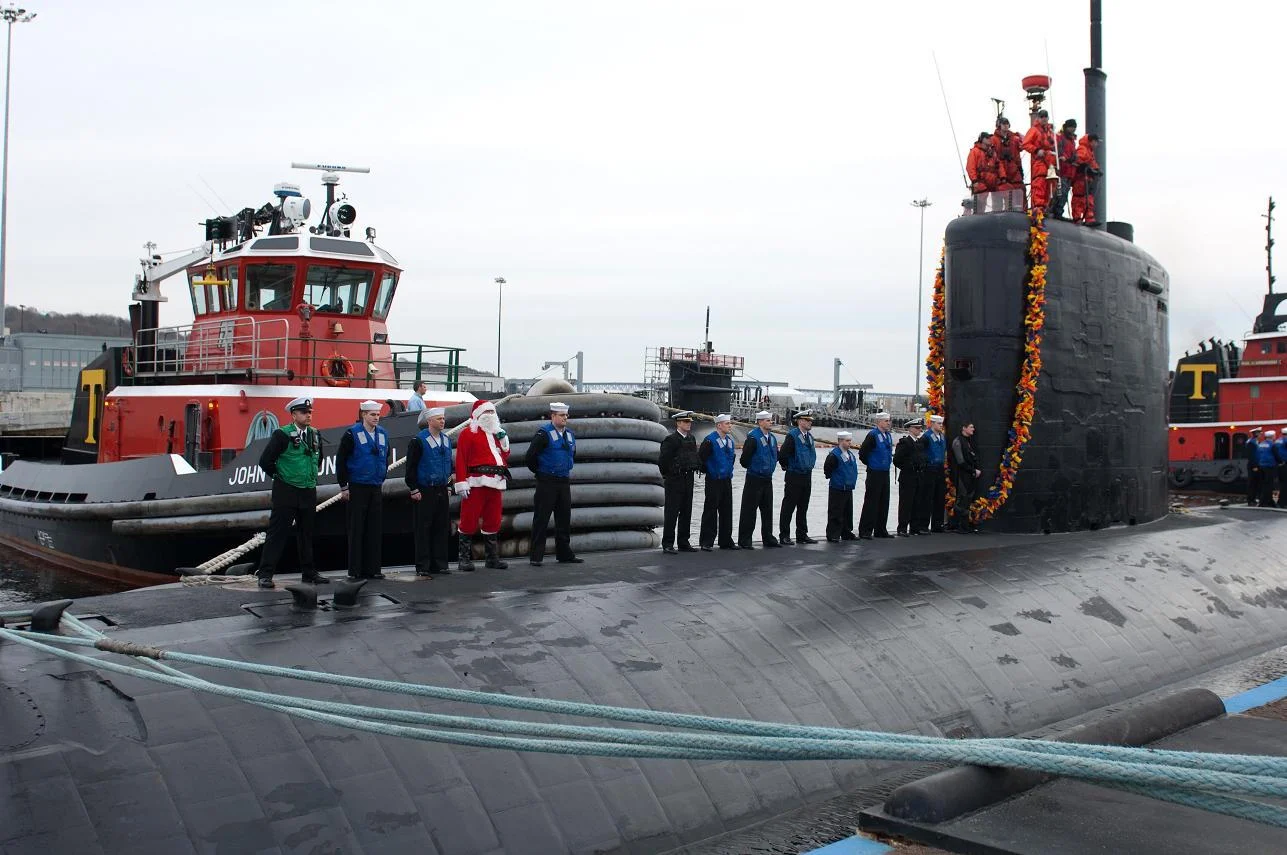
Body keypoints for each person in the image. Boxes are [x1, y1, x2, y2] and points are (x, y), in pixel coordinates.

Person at [254, 396, 326, 589]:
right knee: (277, 533)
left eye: (310, 412)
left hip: (308, 489)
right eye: (304, 412)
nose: (308, 415)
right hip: (286, 490)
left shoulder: (315, 434)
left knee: (307, 533)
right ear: (294, 415)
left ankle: (309, 572)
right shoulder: (282, 435)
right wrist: (281, 475)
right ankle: (265, 574)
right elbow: (265, 461)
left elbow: (319, 459)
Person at [454, 399, 512, 571]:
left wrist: (503, 440)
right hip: (476, 482)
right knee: (469, 519)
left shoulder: (496, 433)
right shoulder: (467, 434)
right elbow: (461, 459)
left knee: (493, 519)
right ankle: (464, 559)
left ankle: (491, 558)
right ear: (478, 414)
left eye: (492, 412)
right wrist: (461, 482)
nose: (490, 415)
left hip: (496, 481)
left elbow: (505, 454)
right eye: (487, 412)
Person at [336, 400, 391, 579]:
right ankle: (355, 570)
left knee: (374, 529)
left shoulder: (383, 434)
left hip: (375, 486)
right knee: (356, 529)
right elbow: (341, 460)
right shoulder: (351, 434)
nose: (376, 418)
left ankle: (373, 569)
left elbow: (386, 456)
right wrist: (344, 486)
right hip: (357, 486)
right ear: (363, 415)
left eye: (377, 415)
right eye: (372, 415)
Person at [526, 402, 583, 566]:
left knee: (564, 518)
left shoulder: (570, 435)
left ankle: (564, 553)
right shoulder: (543, 434)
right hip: (547, 481)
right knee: (541, 519)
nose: (565, 418)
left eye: (566, 415)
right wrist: (540, 473)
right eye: (561, 415)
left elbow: (573, 455)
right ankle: (536, 556)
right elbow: (530, 457)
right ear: (553, 416)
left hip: (563, 481)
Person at [405, 406, 453, 576]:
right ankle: (423, 565)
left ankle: (439, 563)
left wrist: (449, 485)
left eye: (443, 419)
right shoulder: (418, 441)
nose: (442, 421)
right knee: (423, 528)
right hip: (425, 489)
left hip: (441, 487)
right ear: (430, 421)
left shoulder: (446, 440)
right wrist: (413, 488)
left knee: (441, 527)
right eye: (439, 419)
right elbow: (410, 466)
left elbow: (449, 464)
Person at [658, 411, 701, 554]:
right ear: (678, 423)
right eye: (686, 422)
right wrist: (669, 476)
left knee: (686, 511)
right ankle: (668, 543)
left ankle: (683, 541)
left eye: (689, 422)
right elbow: (663, 462)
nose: (689, 424)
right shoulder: (671, 440)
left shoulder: (692, 439)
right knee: (672, 512)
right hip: (675, 480)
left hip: (688, 479)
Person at [739, 410, 780, 549]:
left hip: (767, 478)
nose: (771, 422)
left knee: (767, 510)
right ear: (760, 422)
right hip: (754, 478)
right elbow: (744, 460)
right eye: (768, 420)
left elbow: (776, 455)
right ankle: (745, 540)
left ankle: (768, 538)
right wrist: (756, 467)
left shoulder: (772, 438)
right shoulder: (753, 438)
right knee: (749, 510)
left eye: (770, 420)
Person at [698, 414, 739, 551]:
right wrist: (710, 471)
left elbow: (731, 459)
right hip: (714, 479)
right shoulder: (709, 441)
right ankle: (706, 541)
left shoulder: (730, 441)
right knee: (710, 510)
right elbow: (701, 459)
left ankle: (726, 540)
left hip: (726, 479)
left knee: (727, 510)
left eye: (730, 423)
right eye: (727, 424)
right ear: (719, 425)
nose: (730, 426)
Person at [778, 410, 819, 545]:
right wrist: (788, 467)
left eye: (811, 420)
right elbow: (783, 455)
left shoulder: (809, 437)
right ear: (800, 421)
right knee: (789, 506)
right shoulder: (792, 436)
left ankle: (802, 534)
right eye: (807, 420)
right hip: (794, 475)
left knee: (803, 506)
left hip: (807, 475)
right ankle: (784, 535)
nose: (810, 422)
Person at [857, 413, 894, 539]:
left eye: (889, 421)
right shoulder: (872, 435)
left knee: (884, 501)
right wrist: (871, 464)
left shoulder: (888, 436)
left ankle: (880, 529)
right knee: (871, 501)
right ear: (879, 422)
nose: (888, 423)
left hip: (885, 472)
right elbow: (863, 453)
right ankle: (865, 530)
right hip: (875, 472)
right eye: (886, 421)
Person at [823, 431, 859, 542]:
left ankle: (846, 532)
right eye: (847, 441)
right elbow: (827, 469)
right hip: (837, 487)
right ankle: (833, 533)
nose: (849, 443)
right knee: (836, 511)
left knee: (847, 512)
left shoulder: (850, 455)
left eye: (850, 441)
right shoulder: (834, 455)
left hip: (848, 487)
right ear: (840, 441)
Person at [893, 420, 927, 536]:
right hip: (908, 477)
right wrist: (908, 467)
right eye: (917, 428)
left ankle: (914, 527)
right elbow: (897, 460)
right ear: (910, 429)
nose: (919, 430)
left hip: (918, 477)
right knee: (906, 504)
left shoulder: (919, 443)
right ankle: (902, 528)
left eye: (920, 428)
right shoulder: (905, 443)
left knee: (917, 503)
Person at [916, 415, 949, 533]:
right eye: (939, 424)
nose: (941, 426)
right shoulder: (926, 437)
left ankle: (937, 524)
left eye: (941, 424)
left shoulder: (942, 437)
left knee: (939, 497)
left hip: (940, 469)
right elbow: (920, 452)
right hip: (930, 469)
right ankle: (923, 525)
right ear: (932, 424)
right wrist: (925, 463)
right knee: (927, 497)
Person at [1023, 109, 1057, 213]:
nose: (1044, 119)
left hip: (1050, 163)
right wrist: (1036, 150)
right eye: (1042, 117)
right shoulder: (1034, 130)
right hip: (1040, 162)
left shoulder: (1050, 132)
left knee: (1050, 184)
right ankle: (1038, 207)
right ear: (1038, 118)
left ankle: (1045, 207)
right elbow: (1025, 144)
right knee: (1040, 182)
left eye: (1045, 117)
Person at [951, 422, 981, 532]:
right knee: (962, 499)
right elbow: (960, 461)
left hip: (969, 476)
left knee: (967, 499)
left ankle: (964, 525)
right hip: (962, 475)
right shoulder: (958, 442)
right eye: (971, 427)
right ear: (964, 428)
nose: (973, 429)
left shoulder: (968, 442)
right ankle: (958, 525)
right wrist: (973, 470)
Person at [991, 116, 1025, 211]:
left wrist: (1020, 168)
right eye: (1003, 124)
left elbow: (1024, 145)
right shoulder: (993, 139)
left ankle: (1020, 210)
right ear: (999, 126)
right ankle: (999, 212)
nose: (1006, 126)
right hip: (1000, 170)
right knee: (1001, 191)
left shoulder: (1014, 138)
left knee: (1019, 188)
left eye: (1007, 124)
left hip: (1013, 169)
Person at [966, 132, 1000, 213]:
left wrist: (1002, 177)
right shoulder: (975, 152)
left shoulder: (992, 153)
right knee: (980, 206)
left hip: (993, 184)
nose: (989, 140)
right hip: (980, 183)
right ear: (982, 139)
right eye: (987, 138)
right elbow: (970, 167)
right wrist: (974, 181)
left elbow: (999, 166)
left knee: (998, 204)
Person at [1072, 134, 1102, 225]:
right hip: (1080, 178)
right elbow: (1078, 161)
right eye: (1096, 142)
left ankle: (1089, 218)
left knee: (1088, 198)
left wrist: (1097, 169)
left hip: (1087, 179)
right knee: (1078, 197)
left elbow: (1092, 163)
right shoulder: (1083, 149)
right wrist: (1084, 166)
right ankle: (1077, 217)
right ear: (1092, 141)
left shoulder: (1089, 151)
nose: (1097, 145)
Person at [1053, 119, 1079, 217]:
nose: (1073, 129)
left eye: (1074, 127)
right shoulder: (1060, 137)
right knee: (1060, 192)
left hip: (1069, 171)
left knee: (1064, 193)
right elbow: (1058, 152)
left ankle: (1059, 211)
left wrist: (1072, 159)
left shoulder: (1072, 140)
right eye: (1072, 127)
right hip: (1062, 170)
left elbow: (1074, 155)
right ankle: (1055, 210)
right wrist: (1066, 158)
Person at [1255, 430, 1279, 507]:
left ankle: (1265, 501)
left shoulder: (1261, 444)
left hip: (1261, 466)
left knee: (1263, 484)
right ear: (1272, 436)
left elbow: (1258, 454)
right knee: (1270, 485)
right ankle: (1266, 502)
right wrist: (1281, 462)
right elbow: (1276, 455)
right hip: (1270, 466)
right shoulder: (1272, 445)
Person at [1246, 428, 1264, 506]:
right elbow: (1251, 455)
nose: (1261, 435)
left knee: (1257, 483)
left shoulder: (1256, 442)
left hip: (1258, 464)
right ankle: (1251, 500)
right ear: (1256, 434)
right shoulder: (1251, 443)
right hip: (1254, 465)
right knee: (1252, 483)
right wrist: (1254, 466)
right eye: (1259, 433)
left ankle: (1255, 499)